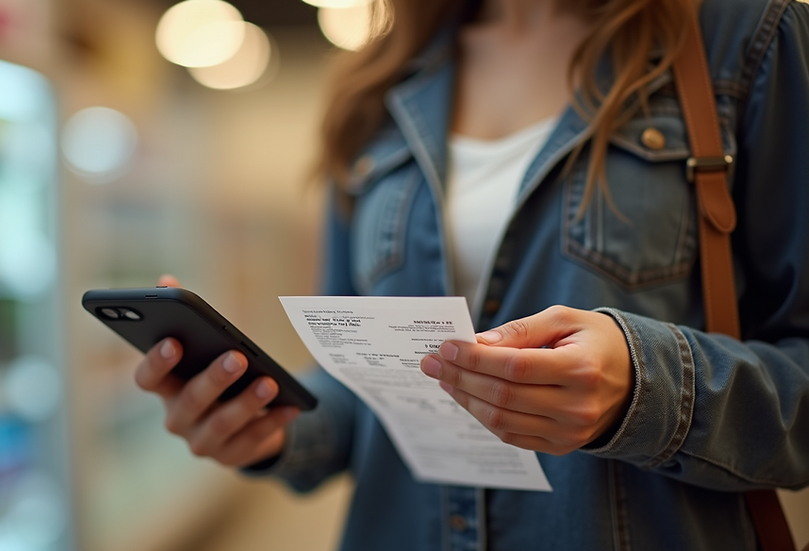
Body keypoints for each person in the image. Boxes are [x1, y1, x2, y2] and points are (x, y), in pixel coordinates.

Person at [133, 0, 809, 548]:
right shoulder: (376, 84)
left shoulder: (747, 39)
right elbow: (359, 385)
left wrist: (645, 384)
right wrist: (271, 421)